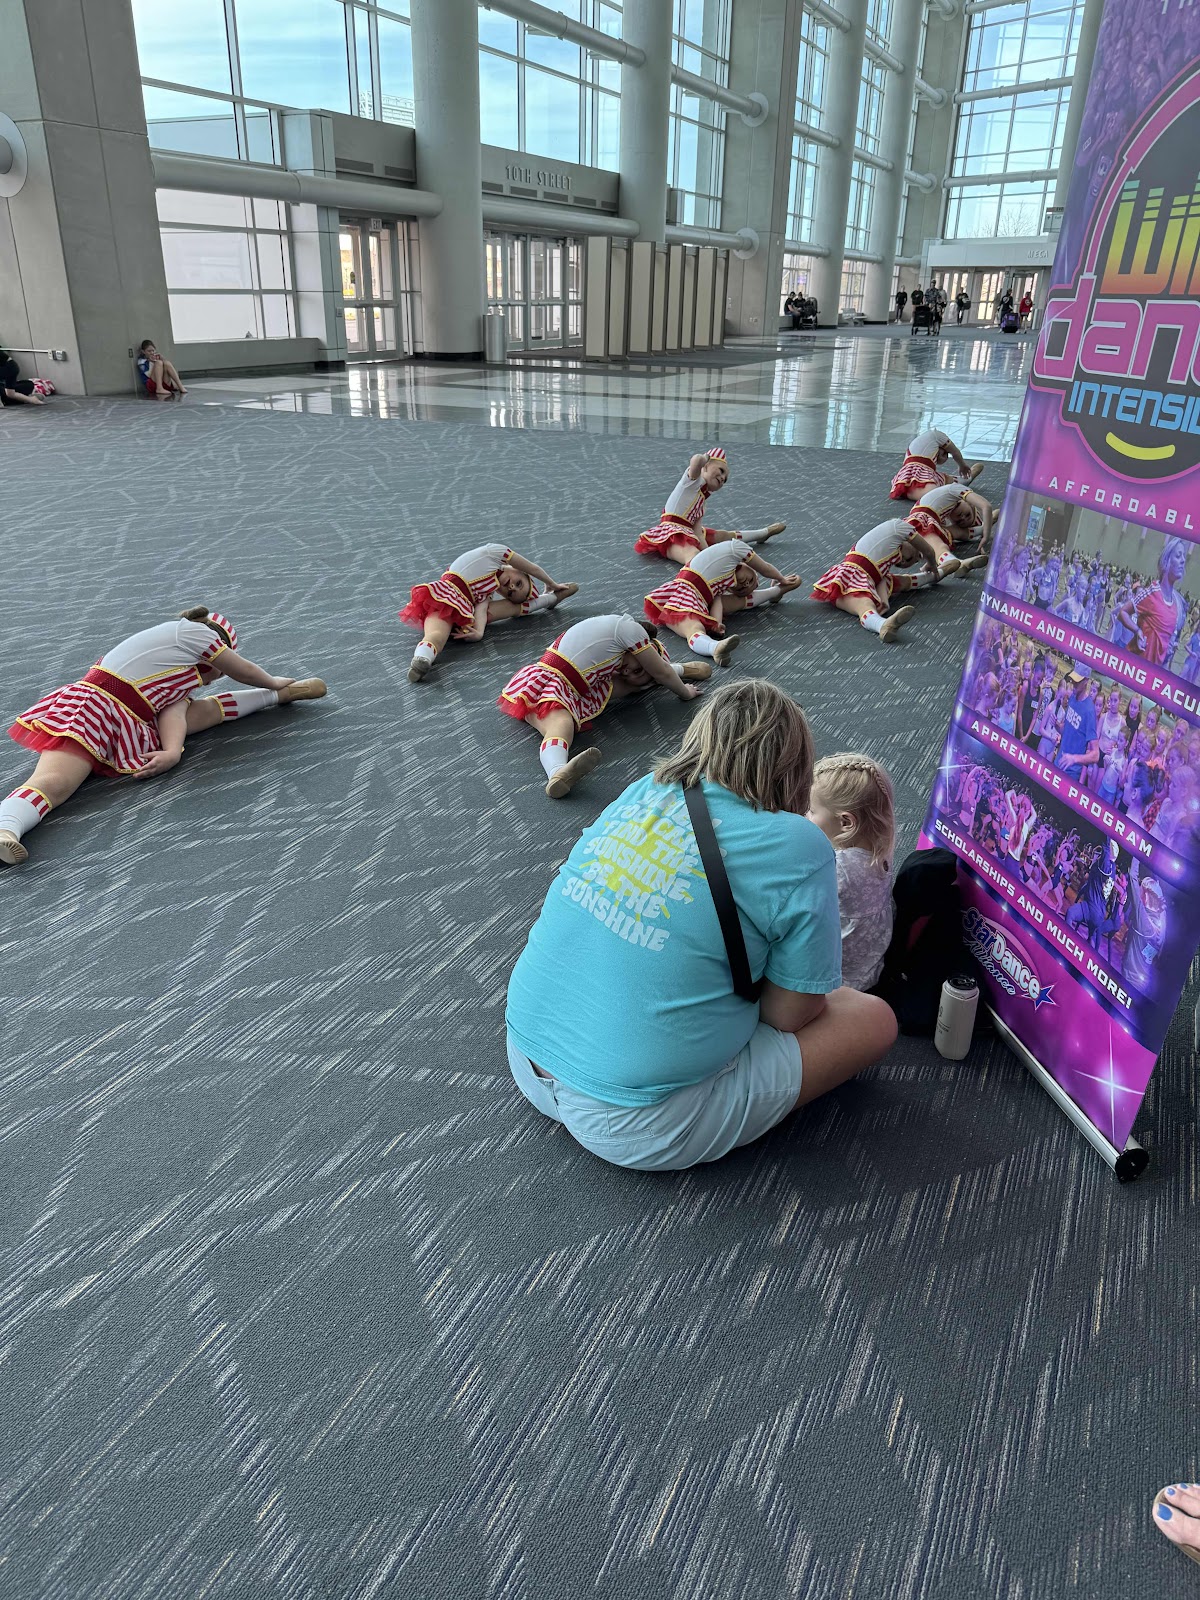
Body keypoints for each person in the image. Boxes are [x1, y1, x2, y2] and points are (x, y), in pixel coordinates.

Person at [504, 679, 898, 1170]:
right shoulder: (800, 843)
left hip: (524, 1052)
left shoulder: (644, 789)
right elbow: (788, 1017)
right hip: (634, 1121)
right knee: (872, 1018)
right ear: (796, 766)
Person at [0, 607, 326, 866]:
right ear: (217, 650)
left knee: (203, 712)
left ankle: (280, 697)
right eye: (218, 670)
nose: (215, 679)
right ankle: (6, 826)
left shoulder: (173, 673)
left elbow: (175, 714)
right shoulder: (193, 632)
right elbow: (245, 670)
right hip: (94, 710)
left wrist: (171, 752)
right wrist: (272, 680)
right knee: (56, 782)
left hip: (125, 719)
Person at [498, 612, 705, 799]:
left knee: (563, 723)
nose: (627, 672)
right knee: (561, 725)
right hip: (545, 684)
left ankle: (559, 775)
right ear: (648, 648)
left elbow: (655, 674)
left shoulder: (612, 656)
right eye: (639, 668)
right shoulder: (631, 632)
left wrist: (678, 671)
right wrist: (685, 692)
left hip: (558, 685)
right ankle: (556, 772)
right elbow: (661, 672)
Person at [401, 542, 576, 683]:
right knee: (437, 635)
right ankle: (421, 660)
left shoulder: (486, 591)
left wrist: (478, 633)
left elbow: (482, 609)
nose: (512, 587)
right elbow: (533, 568)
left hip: (465, 615)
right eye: (519, 583)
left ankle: (551, 599)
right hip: (445, 598)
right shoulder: (495, 552)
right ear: (517, 570)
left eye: (510, 593)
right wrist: (551, 583)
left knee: (513, 607)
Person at [806, 753, 896, 992]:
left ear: (846, 822)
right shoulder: (880, 849)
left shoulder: (838, 868)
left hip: (838, 978)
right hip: (869, 967)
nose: (805, 816)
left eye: (811, 811)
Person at [643, 538, 802, 666]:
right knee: (694, 628)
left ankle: (776, 592)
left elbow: (718, 601)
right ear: (746, 566)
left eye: (745, 588)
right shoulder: (736, 548)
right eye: (751, 579)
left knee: (732, 604)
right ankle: (714, 648)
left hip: (695, 599)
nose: (745, 585)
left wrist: (716, 623)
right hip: (680, 596)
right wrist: (780, 578)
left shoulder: (721, 580)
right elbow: (765, 567)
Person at [811, 516, 957, 644]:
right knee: (864, 604)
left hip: (867, 579)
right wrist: (932, 565)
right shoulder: (900, 526)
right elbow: (928, 551)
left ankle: (935, 575)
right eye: (911, 558)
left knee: (900, 581)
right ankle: (882, 625)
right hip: (848, 578)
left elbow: (881, 577)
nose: (904, 562)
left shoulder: (889, 547)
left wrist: (883, 601)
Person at [636, 448, 786, 564]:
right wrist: (703, 459)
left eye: (725, 479)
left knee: (723, 535)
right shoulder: (692, 482)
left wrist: (708, 552)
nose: (722, 478)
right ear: (706, 466)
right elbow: (695, 462)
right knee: (693, 556)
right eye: (721, 471)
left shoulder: (702, 502)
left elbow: (698, 533)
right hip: (671, 535)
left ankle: (763, 533)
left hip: (688, 532)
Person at [1118, 539, 1190, 667]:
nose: (1183, 560)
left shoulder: (1176, 603)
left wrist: (1168, 649)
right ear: (1167, 561)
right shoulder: (1152, 592)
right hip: (1135, 667)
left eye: (1183, 556)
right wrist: (1137, 631)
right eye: (1178, 556)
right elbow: (1123, 612)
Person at [904, 484, 993, 572]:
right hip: (920, 518)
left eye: (959, 521)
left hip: (922, 519)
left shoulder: (946, 511)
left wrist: (986, 528)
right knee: (938, 546)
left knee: (951, 533)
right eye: (967, 514)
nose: (963, 517)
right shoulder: (955, 489)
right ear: (970, 504)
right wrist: (986, 536)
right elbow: (986, 506)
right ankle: (956, 563)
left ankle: (981, 530)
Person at [889, 428, 984, 501]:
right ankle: (967, 478)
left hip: (907, 477)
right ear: (941, 447)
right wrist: (962, 465)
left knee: (945, 481)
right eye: (945, 453)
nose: (945, 457)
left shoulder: (924, 447)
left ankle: (967, 478)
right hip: (918, 476)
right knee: (936, 494)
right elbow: (955, 452)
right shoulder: (937, 435)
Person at [1054, 669, 1100, 778]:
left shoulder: (1089, 711)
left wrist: (1074, 759)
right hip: (1058, 763)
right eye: (1073, 680)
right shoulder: (1072, 699)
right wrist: (1057, 726)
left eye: (1077, 681)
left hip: (1071, 773)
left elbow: (1095, 754)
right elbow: (1067, 729)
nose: (1073, 683)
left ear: (1086, 681)